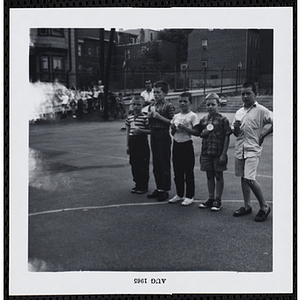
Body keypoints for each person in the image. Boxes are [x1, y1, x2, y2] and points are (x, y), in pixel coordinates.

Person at [232, 81, 273, 222]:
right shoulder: (239, 112)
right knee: (243, 178)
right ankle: (247, 205)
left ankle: (264, 207)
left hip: (253, 149)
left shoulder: (261, 110)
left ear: (255, 94)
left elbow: (279, 121)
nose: (245, 96)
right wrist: (236, 128)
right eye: (243, 94)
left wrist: (263, 134)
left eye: (248, 93)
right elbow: (236, 134)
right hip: (240, 150)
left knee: (250, 178)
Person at [197, 92, 232, 211]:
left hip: (218, 153)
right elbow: (200, 134)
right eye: (208, 105)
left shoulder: (223, 120)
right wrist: (203, 133)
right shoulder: (204, 120)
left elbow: (227, 136)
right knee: (209, 175)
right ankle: (210, 198)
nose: (210, 107)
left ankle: (218, 199)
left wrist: (223, 154)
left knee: (218, 175)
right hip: (206, 152)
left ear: (218, 105)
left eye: (213, 104)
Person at [168, 92, 199, 206]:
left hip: (187, 145)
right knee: (177, 171)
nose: (182, 103)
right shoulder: (176, 116)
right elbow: (173, 133)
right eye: (180, 101)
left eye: (185, 101)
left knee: (188, 171)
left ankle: (190, 196)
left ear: (190, 102)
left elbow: (196, 132)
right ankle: (179, 194)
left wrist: (185, 128)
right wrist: (173, 129)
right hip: (176, 145)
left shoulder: (192, 116)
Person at [147, 81, 175, 201]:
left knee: (164, 162)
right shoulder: (151, 105)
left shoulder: (168, 106)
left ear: (165, 93)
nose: (156, 94)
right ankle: (159, 188)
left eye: (158, 92)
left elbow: (173, 122)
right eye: (154, 92)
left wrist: (159, 117)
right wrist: (149, 118)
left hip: (163, 134)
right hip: (153, 133)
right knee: (156, 162)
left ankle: (165, 189)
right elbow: (149, 122)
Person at [125, 95, 151, 194]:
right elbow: (127, 131)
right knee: (134, 163)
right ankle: (137, 183)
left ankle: (143, 185)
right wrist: (127, 145)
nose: (136, 107)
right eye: (134, 104)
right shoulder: (129, 117)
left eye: (138, 104)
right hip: (132, 141)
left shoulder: (145, 117)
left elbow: (150, 131)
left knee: (142, 164)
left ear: (142, 105)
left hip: (141, 141)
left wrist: (141, 131)